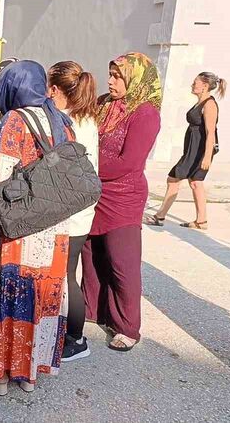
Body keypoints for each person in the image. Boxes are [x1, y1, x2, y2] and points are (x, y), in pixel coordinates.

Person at [0, 61, 75, 396]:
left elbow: (0, 177)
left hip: (20, 227)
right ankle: (29, 374)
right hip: (54, 227)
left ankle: (0, 375)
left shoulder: (16, 120)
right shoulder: (61, 119)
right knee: (41, 298)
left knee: (10, 296)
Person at [82, 52, 162, 352]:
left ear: (135, 80)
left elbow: (129, 161)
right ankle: (93, 309)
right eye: (111, 74)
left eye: (118, 76)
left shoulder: (145, 113)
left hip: (123, 197)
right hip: (95, 193)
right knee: (91, 254)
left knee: (121, 262)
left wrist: (85, 166)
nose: (111, 81)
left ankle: (127, 325)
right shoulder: (105, 104)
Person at [47, 60, 100, 362]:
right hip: (81, 208)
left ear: (55, 89)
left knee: (66, 275)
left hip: (70, 209)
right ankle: (70, 333)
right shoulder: (87, 118)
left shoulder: (65, 122)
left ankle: (76, 339)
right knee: (69, 272)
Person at [145, 72, 225, 230]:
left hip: (198, 151)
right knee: (196, 182)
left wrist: (207, 156)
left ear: (205, 86)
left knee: (173, 178)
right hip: (192, 148)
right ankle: (201, 221)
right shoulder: (200, 102)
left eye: (195, 82)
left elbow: (210, 132)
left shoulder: (209, 104)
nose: (192, 84)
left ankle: (160, 216)